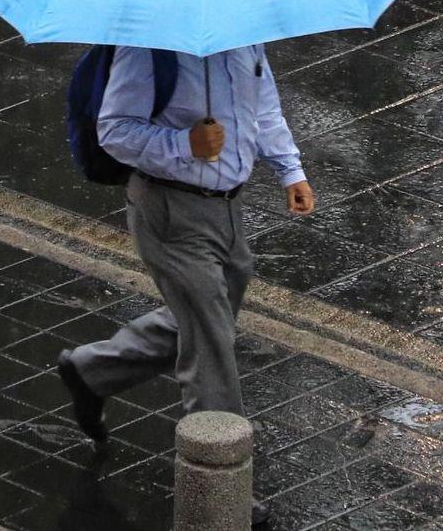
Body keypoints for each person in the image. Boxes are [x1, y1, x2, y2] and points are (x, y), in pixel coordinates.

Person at [57, 46, 315, 522]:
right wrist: (184, 144)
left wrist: (289, 169)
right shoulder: (149, 46)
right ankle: (222, 480)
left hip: (228, 210)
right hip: (170, 211)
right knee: (212, 342)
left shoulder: (245, 32)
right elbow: (113, 130)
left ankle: (93, 370)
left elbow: (264, 103)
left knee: (205, 319)